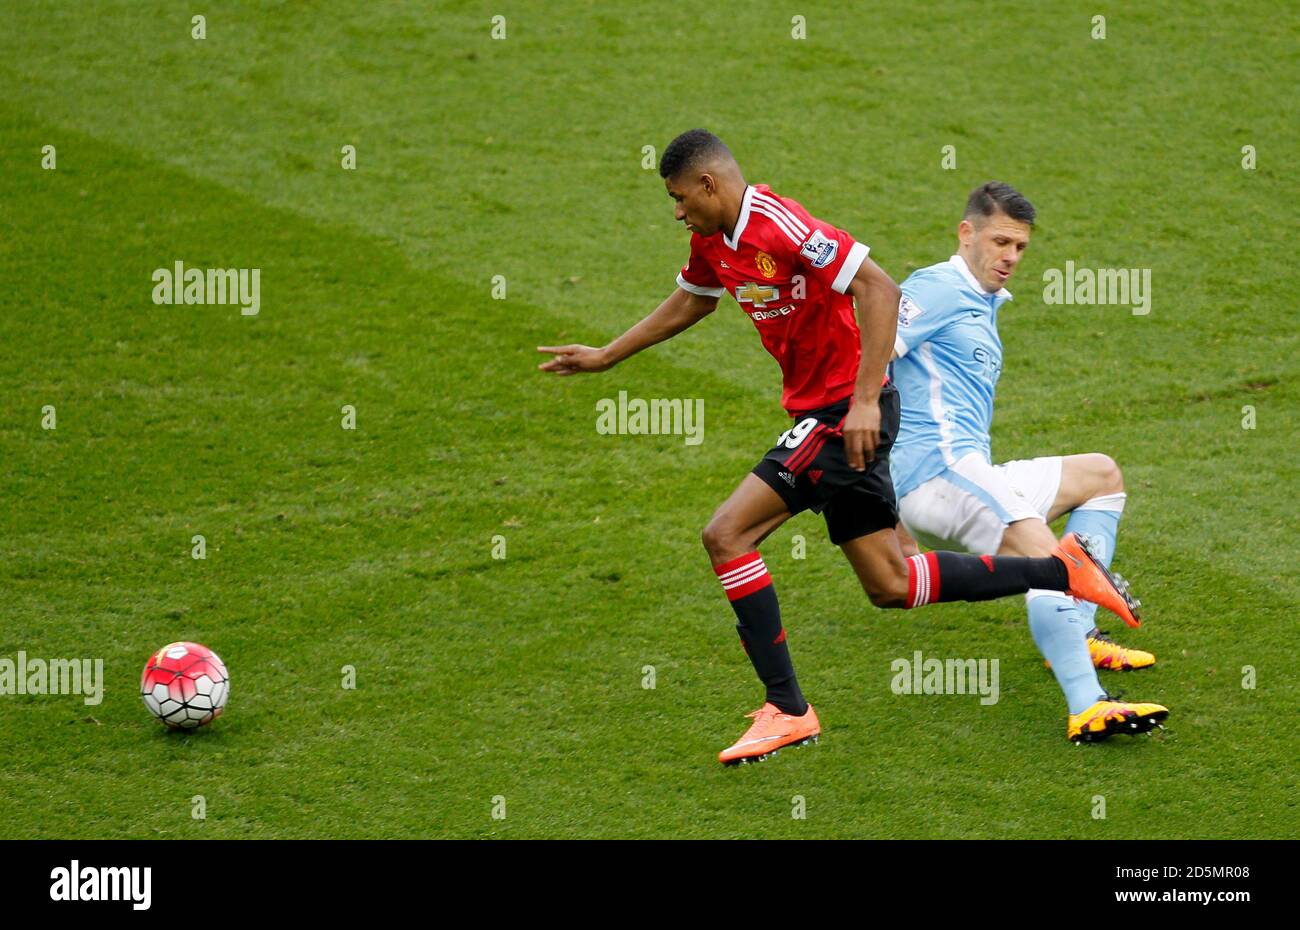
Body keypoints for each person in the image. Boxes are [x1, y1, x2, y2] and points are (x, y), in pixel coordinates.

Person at [538, 131, 1141, 764]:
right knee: (891, 583)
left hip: (839, 414)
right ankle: (1062, 571)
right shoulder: (710, 240)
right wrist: (608, 354)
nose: (677, 210)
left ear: (709, 184)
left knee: (726, 534)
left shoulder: (782, 223)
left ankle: (788, 710)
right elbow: (694, 299)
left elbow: (878, 290)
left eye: (680, 197)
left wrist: (862, 401)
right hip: (827, 413)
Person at [890, 181, 1168, 742]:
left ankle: (1075, 634)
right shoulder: (939, 289)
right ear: (966, 233)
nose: (1011, 257)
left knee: (1101, 477)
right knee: (1052, 560)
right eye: (1000, 242)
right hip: (940, 476)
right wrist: (883, 500)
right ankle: (1087, 705)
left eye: (1020, 247)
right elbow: (867, 359)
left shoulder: (982, 300)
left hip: (971, 471)